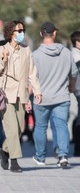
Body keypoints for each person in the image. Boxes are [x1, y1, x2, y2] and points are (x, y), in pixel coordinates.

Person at [0, 20, 42, 173]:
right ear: (11, 33)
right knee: (12, 129)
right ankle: (14, 161)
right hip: (5, 94)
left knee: (19, 129)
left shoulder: (26, 50)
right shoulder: (1, 50)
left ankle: (5, 150)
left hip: (22, 94)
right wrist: (3, 61)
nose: (21, 33)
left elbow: (32, 72)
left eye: (23, 30)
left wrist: (37, 91)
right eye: (19, 31)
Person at [32, 22, 77, 167]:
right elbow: (74, 73)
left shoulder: (35, 55)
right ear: (55, 34)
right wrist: (71, 86)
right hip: (62, 96)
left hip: (41, 98)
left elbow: (31, 78)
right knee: (61, 126)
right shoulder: (66, 52)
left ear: (41, 34)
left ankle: (40, 157)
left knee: (40, 127)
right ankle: (63, 155)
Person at [70, 30, 80, 157]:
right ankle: (77, 148)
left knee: (78, 116)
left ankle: (75, 141)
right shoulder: (75, 55)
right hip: (78, 89)